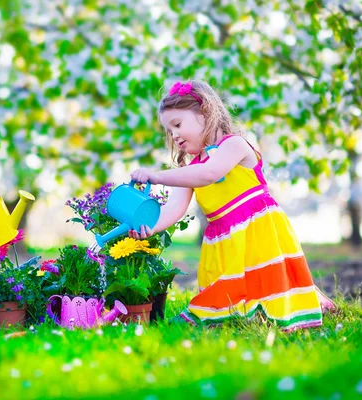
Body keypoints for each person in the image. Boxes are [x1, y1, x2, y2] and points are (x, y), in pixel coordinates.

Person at [130, 80, 335, 331]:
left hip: (257, 230)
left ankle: (307, 300)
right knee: (229, 301)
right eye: (169, 130)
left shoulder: (234, 145)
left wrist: (157, 176)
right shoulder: (190, 169)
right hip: (224, 241)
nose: (174, 135)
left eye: (178, 124)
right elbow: (174, 209)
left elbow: (211, 173)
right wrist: (150, 227)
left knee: (267, 287)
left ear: (205, 111)